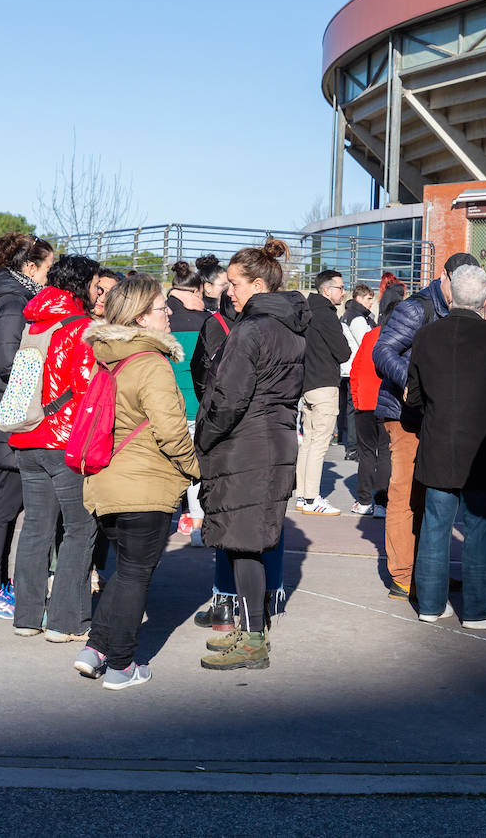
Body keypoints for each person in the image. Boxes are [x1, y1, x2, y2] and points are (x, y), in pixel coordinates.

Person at [75, 276, 199, 689]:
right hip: (143, 484)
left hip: (107, 482)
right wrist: (196, 469)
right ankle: (121, 666)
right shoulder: (150, 363)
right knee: (135, 575)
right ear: (142, 317)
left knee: (125, 570)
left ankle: (95, 650)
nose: (169, 314)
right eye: (163, 308)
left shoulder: (109, 358)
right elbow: (171, 430)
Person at [197, 240, 309, 671]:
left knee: (244, 545)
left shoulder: (250, 330)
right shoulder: (290, 328)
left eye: (235, 284)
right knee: (249, 544)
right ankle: (249, 631)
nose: (229, 292)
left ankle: (253, 640)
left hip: (248, 443)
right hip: (273, 438)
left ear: (258, 284)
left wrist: (203, 438)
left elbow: (227, 397)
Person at [406, 265, 486, 629]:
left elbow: (414, 396)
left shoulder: (426, 336)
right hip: (483, 449)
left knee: (435, 527)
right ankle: (479, 608)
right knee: (480, 528)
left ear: (451, 295)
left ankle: (430, 604)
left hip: (439, 442)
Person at [372, 252, 480, 600]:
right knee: (405, 496)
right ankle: (403, 576)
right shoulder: (417, 308)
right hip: (405, 415)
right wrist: (413, 383)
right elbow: (383, 350)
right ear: (446, 277)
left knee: (430, 496)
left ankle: (428, 571)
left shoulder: (458, 310)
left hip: (434, 416)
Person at [9, 255, 103, 642]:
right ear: (82, 285)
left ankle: (27, 617)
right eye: (96, 286)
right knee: (79, 530)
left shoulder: (34, 321)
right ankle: (66, 622)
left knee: (35, 529)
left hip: (26, 436)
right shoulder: (80, 327)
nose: (99, 292)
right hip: (63, 443)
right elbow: (86, 394)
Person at [0, 232, 54, 620]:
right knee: (5, 502)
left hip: (5, 408)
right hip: (10, 412)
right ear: (29, 267)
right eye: (47, 268)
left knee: (7, 502)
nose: (50, 277)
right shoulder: (13, 301)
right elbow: (8, 361)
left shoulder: (5, 295)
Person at [295, 269, 352, 516]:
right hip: (324, 385)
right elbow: (343, 352)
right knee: (319, 444)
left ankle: (302, 496)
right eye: (340, 287)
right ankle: (311, 498)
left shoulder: (305, 312)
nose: (344, 292)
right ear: (327, 290)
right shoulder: (326, 315)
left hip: (306, 384)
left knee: (308, 442)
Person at [167, 261, 211, 537]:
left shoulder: (160, 317)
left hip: (165, 404)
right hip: (194, 403)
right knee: (195, 467)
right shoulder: (205, 322)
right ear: (196, 291)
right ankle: (197, 526)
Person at [347, 319, 387, 516]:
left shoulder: (370, 336)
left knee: (366, 453)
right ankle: (381, 503)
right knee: (386, 453)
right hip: (388, 403)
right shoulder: (403, 335)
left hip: (365, 402)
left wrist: (356, 398)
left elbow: (356, 368)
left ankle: (363, 501)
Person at [338, 282, 377, 458]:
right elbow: (367, 342)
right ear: (359, 298)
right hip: (355, 368)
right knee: (355, 409)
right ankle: (353, 447)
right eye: (369, 299)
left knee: (348, 408)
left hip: (347, 368)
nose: (371, 302)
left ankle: (347, 442)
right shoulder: (358, 318)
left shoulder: (349, 314)